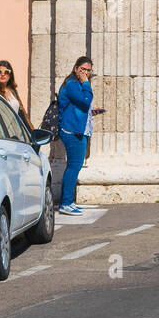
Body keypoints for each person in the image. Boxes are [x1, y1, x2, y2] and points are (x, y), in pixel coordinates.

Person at [57, 57, 103, 215]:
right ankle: (65, 203)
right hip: (72, 131)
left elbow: (82, 106)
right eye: (82, 69)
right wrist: (86, 83)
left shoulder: (75, 84)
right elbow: (85, 100)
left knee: (73, 167)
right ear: (75, 68)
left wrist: (91, 112)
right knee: (74, 166)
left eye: (88, 70)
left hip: (79, 129)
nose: (85, 73)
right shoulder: (72, 84)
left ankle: (68, 201)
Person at [0, 61, 32, 130]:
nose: (2, 74)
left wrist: (32, 132)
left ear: (10, 75)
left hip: (17, 133)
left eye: (6, 72)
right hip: (2, 134)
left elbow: (22, 114)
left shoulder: (13, 92)